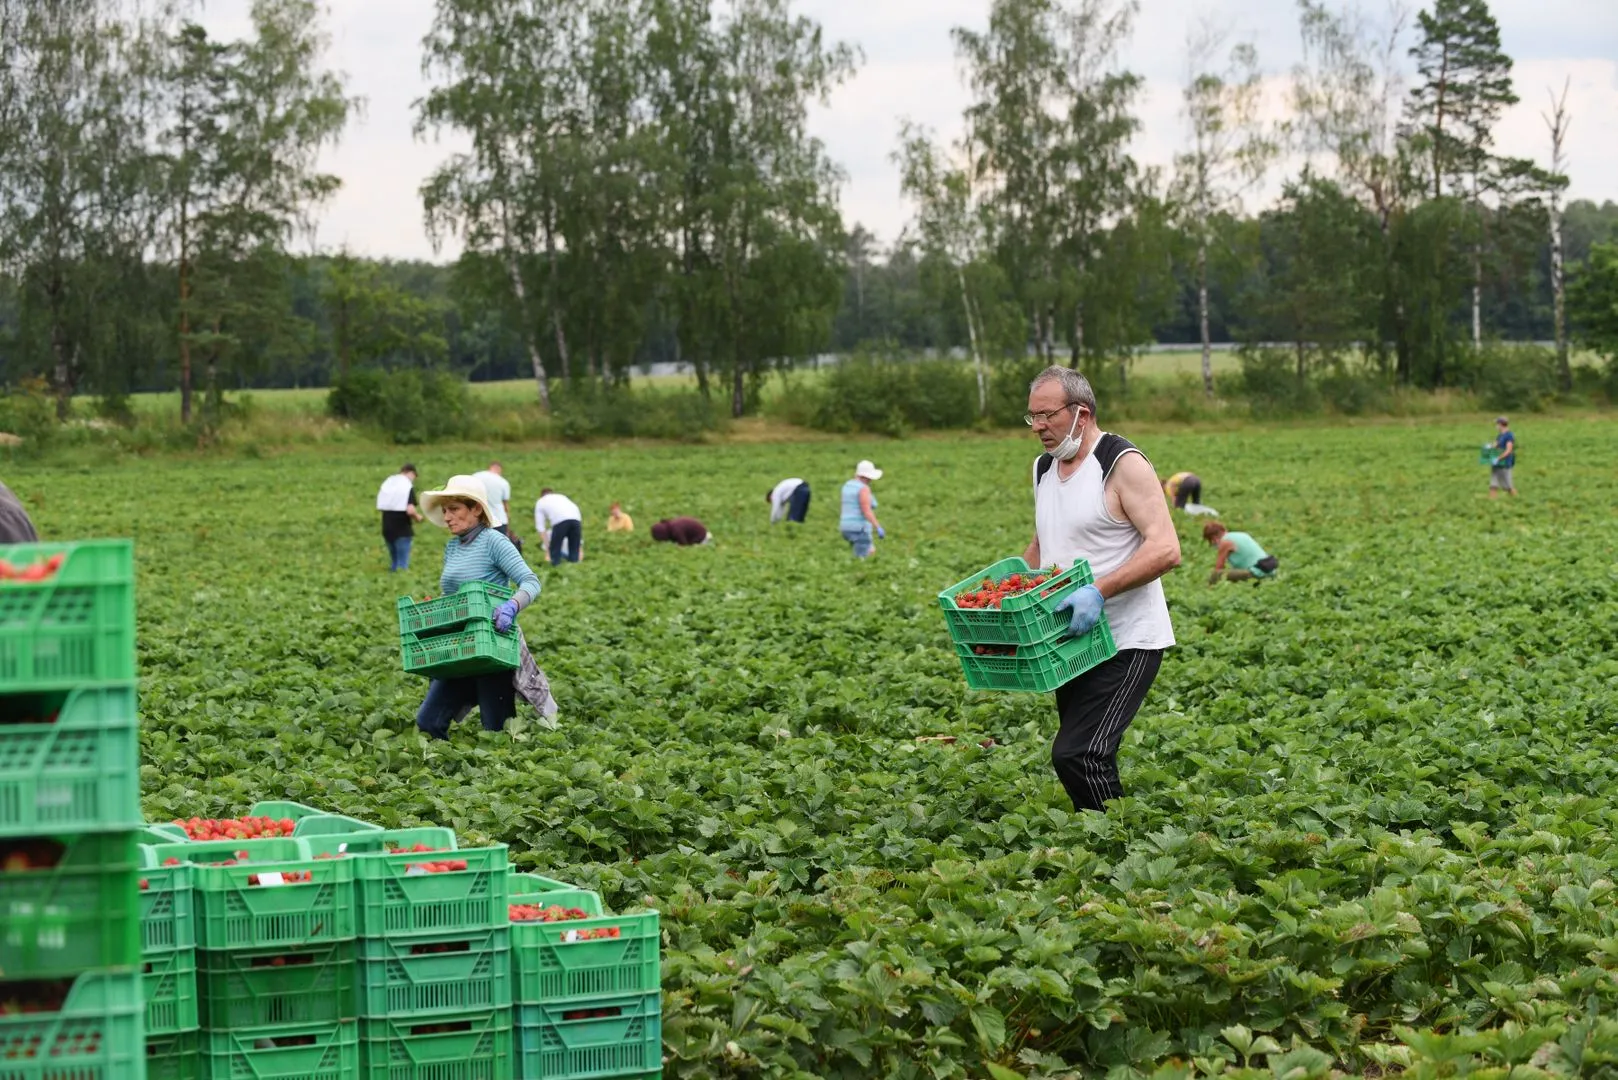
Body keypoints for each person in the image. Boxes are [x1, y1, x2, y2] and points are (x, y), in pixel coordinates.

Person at [1023, 366, 1180, 813]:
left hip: (1125, 640)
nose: (1037, 427)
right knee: (1084, 754)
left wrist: (1099, 590)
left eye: (1047, 415)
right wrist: (1008, 597)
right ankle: (1099, 841)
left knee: (1078, 752)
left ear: (1081, 413)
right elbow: (1042, 543)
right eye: (1031, 417)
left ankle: (1117, 843)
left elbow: (1166, 548)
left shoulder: (1120, 462)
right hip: (1071, 642)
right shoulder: (1043, 469)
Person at [414, 475, 547, 739]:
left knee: (496, 729)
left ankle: (504, 776)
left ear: (476, 509)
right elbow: (451, 592)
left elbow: (531, 582)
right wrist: (436, 608)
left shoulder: (495, 542)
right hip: (459, 647)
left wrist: (511, 606)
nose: (448, 517)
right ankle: (444, 773)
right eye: (445, 511)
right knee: (428, 721)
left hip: (491, 647)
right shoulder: (452, 547)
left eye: (454, 509)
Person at [376, 464, 425, 572]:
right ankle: (402, 581)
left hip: (387, 526)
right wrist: (418, 517)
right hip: (402, 528)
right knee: (402, 564)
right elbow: (410, 510)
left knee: (394, 562)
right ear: (411, 473)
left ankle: (392, 580)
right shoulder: (407, 486)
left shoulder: (388, 483)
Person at [1202, 521, 1278, 584]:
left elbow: (1218, 568)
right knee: (1233, 574)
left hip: (1256, 573)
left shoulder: (1225, 542)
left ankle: (1208, 593)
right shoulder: (1241, 534)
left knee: (1216, 575)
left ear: (1213, 539)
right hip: (1269, 570)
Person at [838, 461, 885, 558]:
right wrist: (878, 527)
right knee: (862, 557)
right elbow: (866, 511)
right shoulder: (863, 488)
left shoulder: (847, 485)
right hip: (859, 528)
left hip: (845, 527)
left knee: (871, 550)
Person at [472, 461, 521, 550]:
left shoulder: (475, 477)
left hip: (479, 519)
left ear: (490, 467)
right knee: (500, 549)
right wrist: (508, 526)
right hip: (499, 520)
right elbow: (505, 506)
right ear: (499, 470)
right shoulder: (503, 482)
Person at [534, 488, 583, 565]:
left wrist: (548, 550)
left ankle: (555, 567)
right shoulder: (561, 496)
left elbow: (541, 528)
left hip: (560, 521)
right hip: (576, 519)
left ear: (541, 496)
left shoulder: (540, 502)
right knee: (574, 551)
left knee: (555, 550)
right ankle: (574, 566)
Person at [1489, 416, 1517, 498]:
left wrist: (1498, 458)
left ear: (1501, 424)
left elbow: (1508, 450)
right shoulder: (1500, 436)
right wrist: (1489, 448)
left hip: (1505, 463)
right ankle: (1491, 501)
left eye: (1497, 424)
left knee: (1508, 486)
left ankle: (1516, 498)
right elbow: (1495, 445)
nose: (1496, 426)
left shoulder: (1509, 435)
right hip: (1496, 463)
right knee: (1493, 484)